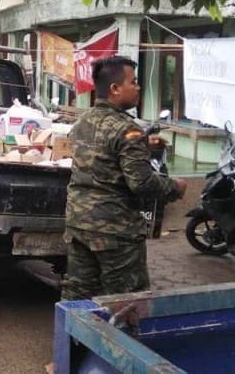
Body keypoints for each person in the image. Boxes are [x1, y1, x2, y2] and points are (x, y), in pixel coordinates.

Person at [61, 55, 187, 301]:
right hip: (114, 231)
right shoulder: (127, 129)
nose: (139, 87)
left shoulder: (82, 122)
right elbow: (141, 183)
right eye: (134, 82)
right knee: (126, 302)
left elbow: (102, 156)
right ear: (115, 89)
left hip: (78, 224)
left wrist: (141, 147)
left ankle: (73, 340)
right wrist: (175, 187)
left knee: (79, 295)